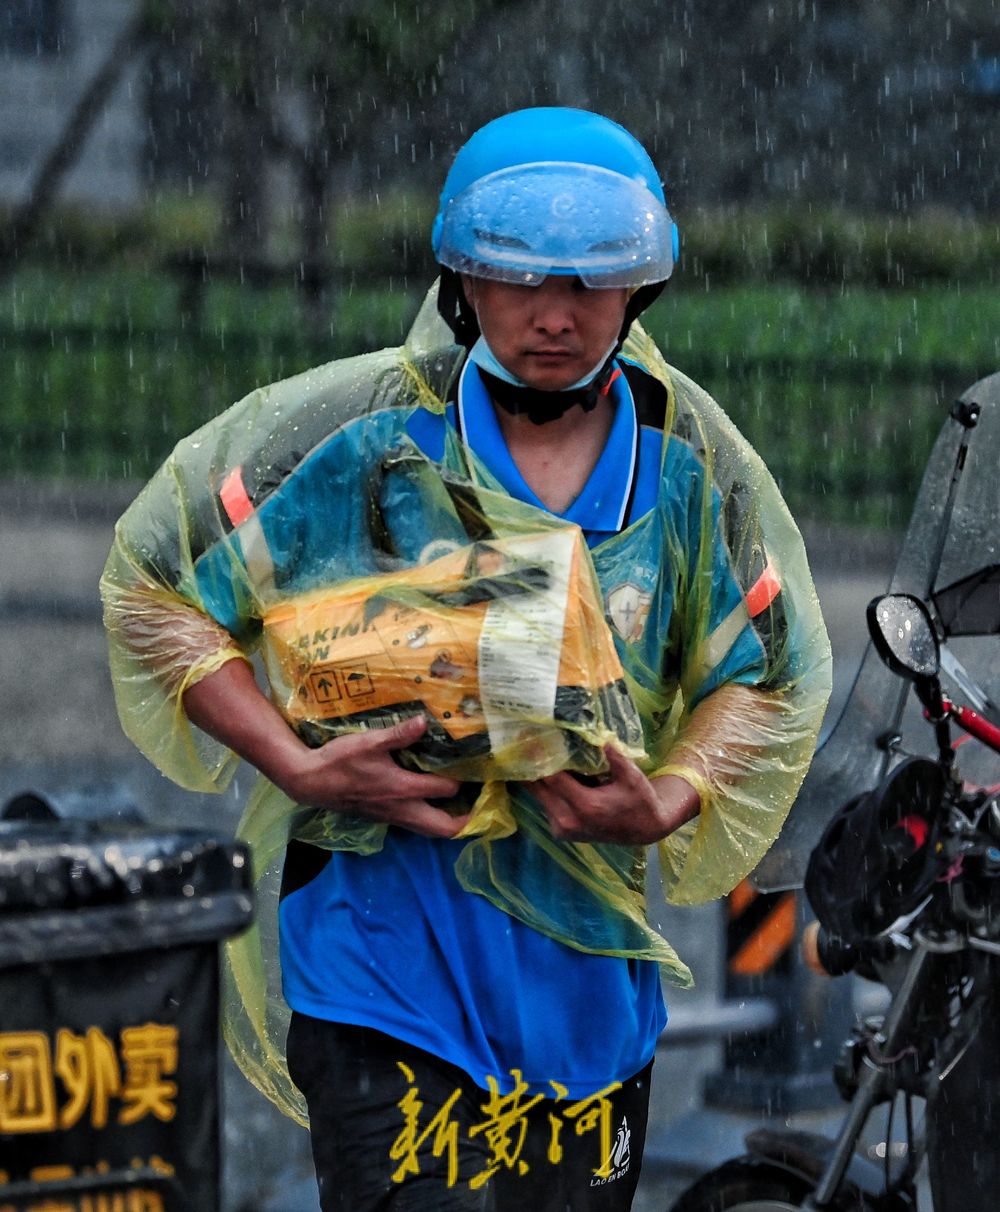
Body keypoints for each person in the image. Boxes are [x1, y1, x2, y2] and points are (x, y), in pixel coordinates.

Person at [101, 107, 831, 1210]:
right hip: (380, 973)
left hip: (585, 998)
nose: (555, 314)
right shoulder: (370, 444)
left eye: (590, 283)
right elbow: (157, 593)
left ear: (638, 290)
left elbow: (766, 678)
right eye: (520, 278)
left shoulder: (681, 478)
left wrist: (671, 797)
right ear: (464, 282)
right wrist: (297, 766)